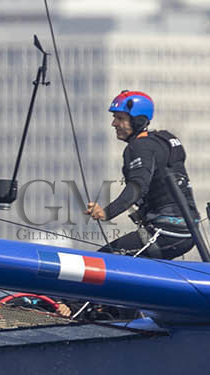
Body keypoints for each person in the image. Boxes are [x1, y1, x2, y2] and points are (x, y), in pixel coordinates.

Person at [83, 90, 199, 260]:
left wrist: (106, 212)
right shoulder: (162, 140)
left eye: (120, 118)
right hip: (188, 232)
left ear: (138, 121)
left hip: (167, 232)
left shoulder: (140, 147)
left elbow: (137, 187)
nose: (114, 124)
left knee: (100, 262)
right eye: (114, 118)